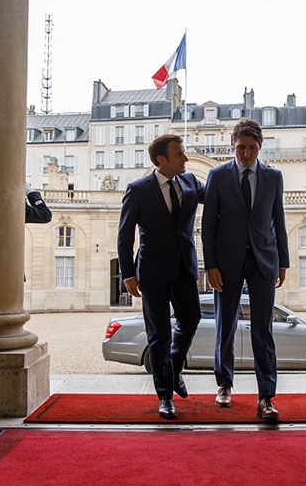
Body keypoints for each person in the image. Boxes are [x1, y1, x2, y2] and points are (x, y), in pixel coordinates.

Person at [202, 118, 289, 421]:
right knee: (225, 325)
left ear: (260, 147)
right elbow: (208, 225)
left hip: (264, 260)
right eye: (241, 147)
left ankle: (266, 396)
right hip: (226, 263)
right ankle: (224, 384)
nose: (247, 153)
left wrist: (283, 262)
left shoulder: (274, 177)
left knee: (263, 330)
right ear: (232, 145)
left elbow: (278, 221)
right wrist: (210, 265)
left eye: (252, 148)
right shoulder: (217, 176)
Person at [116, 134, 205, 419]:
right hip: (152, 272)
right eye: (179, 154)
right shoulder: (139, 189)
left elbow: (220, 194)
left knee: (191, 320)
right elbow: (124, 234)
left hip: (185, 268)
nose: (186, 158)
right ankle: (164, 396)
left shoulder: (191, 182)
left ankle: (173, 369)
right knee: (159, 336)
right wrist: (128, 274)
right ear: (161, 160)